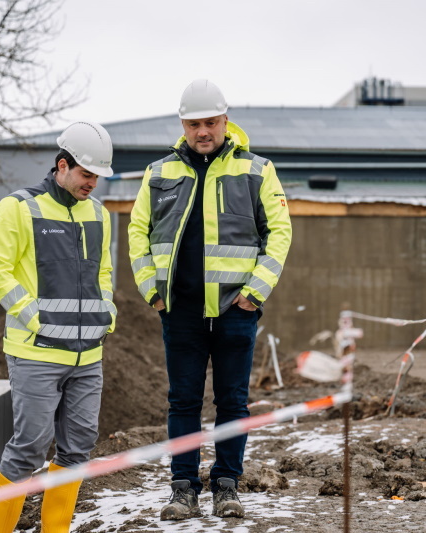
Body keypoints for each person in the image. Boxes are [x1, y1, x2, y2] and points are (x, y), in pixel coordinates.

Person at [128, 79, 292, 520]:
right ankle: (183, 488)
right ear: (182, 124)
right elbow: (137, 233)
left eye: (211, 122)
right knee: (182, 401)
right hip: (179, 310)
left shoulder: (257, 170)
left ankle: (226, 485)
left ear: (225, 120)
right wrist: (153, 293)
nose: (204, 131)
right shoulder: (158, 173)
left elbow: (279, 234)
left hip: (235, 311)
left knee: (233, 403)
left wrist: (254, 293)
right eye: (195, 123)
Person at [0, 121, 117, 533]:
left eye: (98, 176)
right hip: (35, 353)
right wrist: (33, 316)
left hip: (88, 356)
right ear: (63, 165)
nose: (93, 183)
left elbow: (104, 271)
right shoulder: (19, 208)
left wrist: (106, 311)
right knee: (28, 448)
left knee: (78, 449)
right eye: (87, 174)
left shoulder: (99, 215)